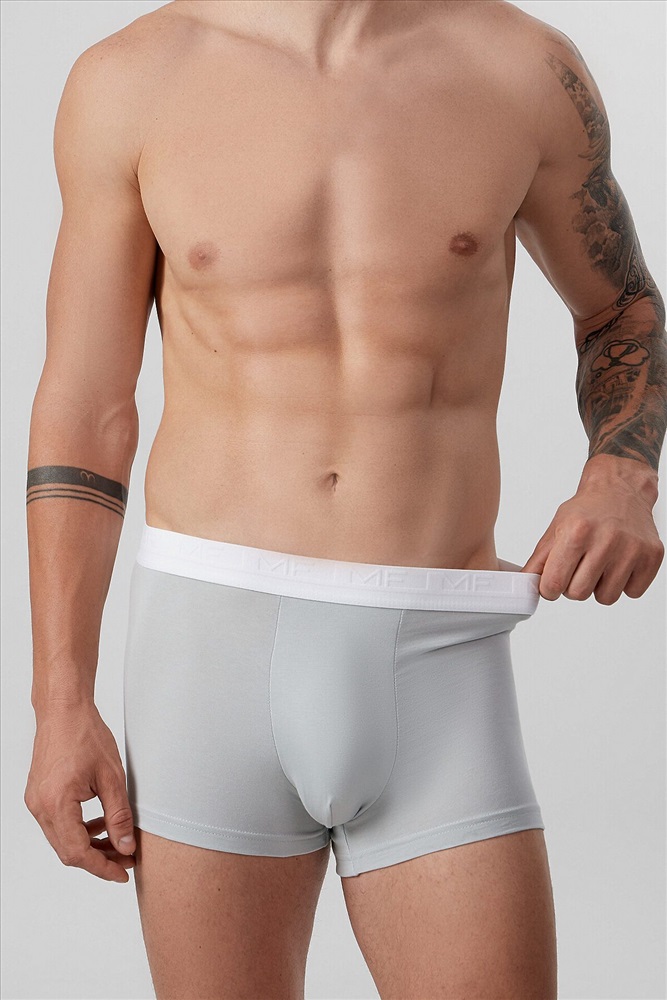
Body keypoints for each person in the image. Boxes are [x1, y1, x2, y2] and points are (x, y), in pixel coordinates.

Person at [24, 1, 665, 997]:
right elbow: (86, 411)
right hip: (208, 651)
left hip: (438, 652)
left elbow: (620, 307)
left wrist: (621, 475)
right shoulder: (132, 79)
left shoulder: (521, 67)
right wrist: (60, 702)